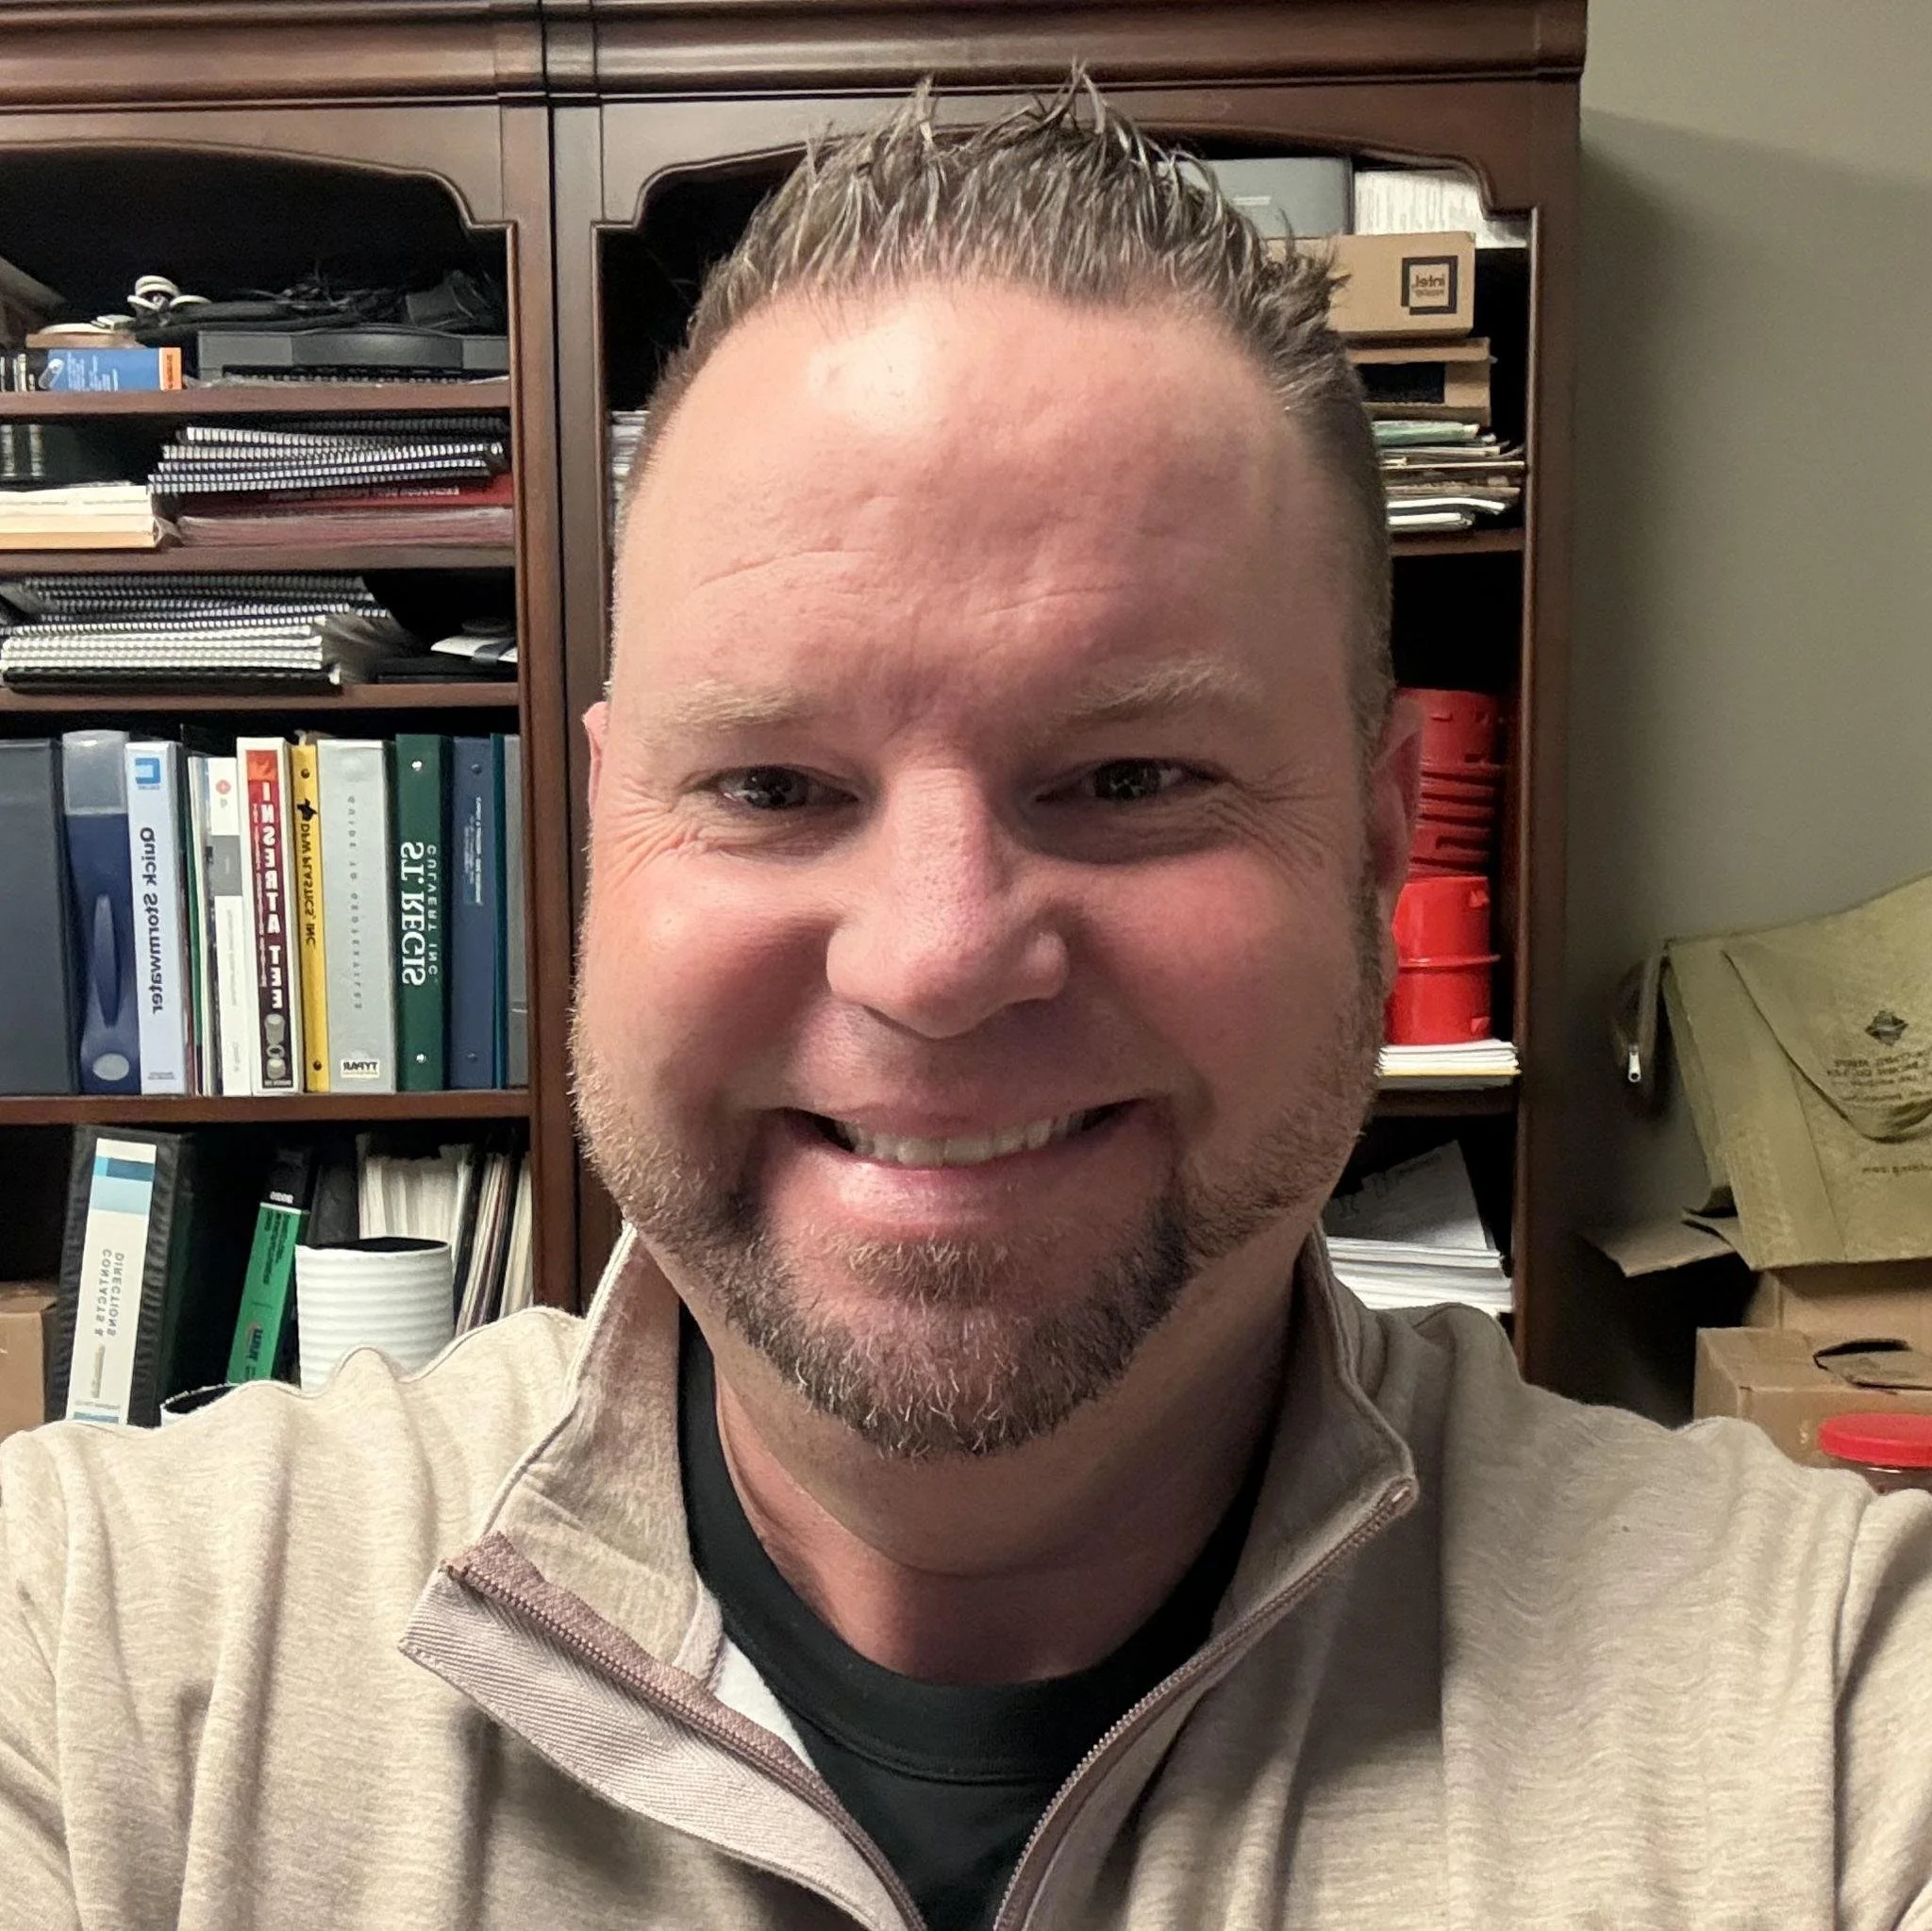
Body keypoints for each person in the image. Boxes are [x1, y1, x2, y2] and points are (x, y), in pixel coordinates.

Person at [3, 80, 1929, 1931]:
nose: (932, 962)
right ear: (604, 831)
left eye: (1131, 778)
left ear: (1374, 837)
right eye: (771, 786)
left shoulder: (1842, 1724)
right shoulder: (96, 1664)